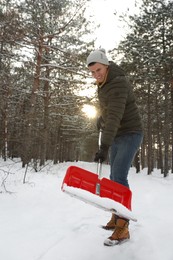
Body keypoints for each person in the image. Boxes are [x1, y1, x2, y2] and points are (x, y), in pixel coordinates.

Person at [86, 48, 143, 246]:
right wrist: (101, 117)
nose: (96, 75)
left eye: (98, 70)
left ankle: (123, 226)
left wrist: (104, 146)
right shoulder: (104, 84)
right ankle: (116, 215)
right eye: (92, 72)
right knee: (113, 178)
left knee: (119, 177)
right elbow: (109, 110)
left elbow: (115, 116)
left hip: (130, 133)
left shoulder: (118, 83)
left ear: (106, 65)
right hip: (119, 133)